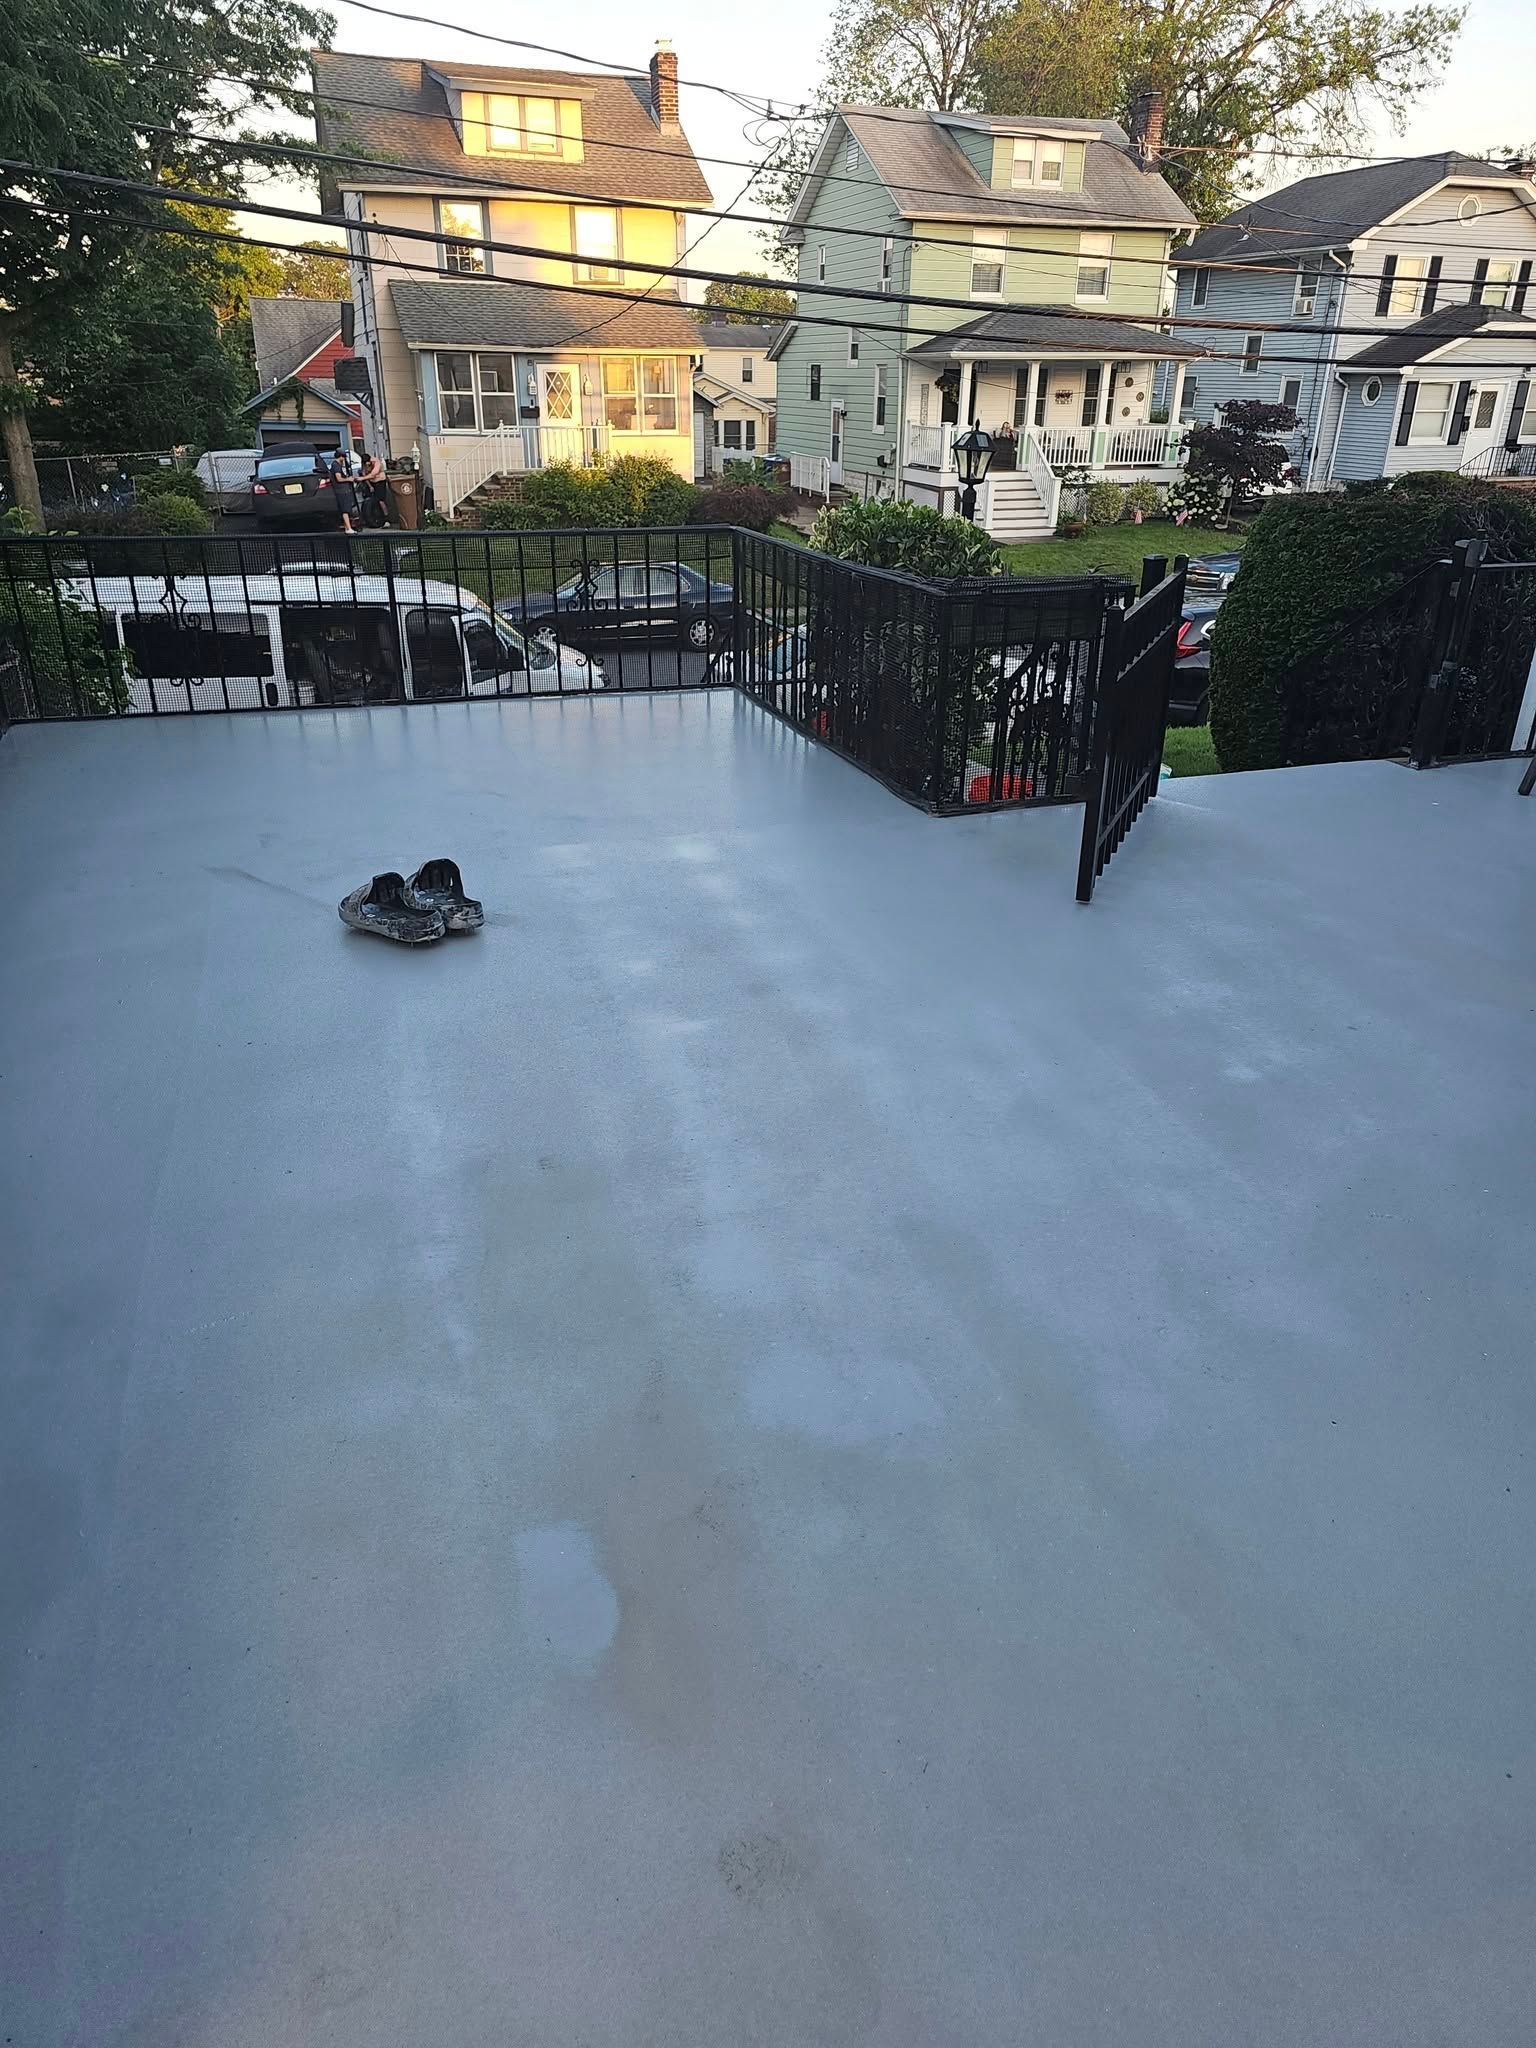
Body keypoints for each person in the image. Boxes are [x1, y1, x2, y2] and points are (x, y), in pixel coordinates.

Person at [357, 447, 391, 528]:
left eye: (368, 464)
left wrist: (362, 478)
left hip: (380, 481)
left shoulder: (376, 462)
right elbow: (365, 474)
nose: (367, 465)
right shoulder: (364, 464)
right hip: (372, 482)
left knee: (381, 500)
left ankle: (386, 519)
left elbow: (373, 474)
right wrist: (370, 486)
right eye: (365, 464)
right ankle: (372, 518)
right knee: (371, 500)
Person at [329, 446, 359, 532]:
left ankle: (347, 527)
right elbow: (338, 478)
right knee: (345, 509)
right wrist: (348, 479)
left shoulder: (335, 465)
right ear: (341, 456)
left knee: (345, 508)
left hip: (341, 490)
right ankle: (349, 528)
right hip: (341, 490)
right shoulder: (336, 466)